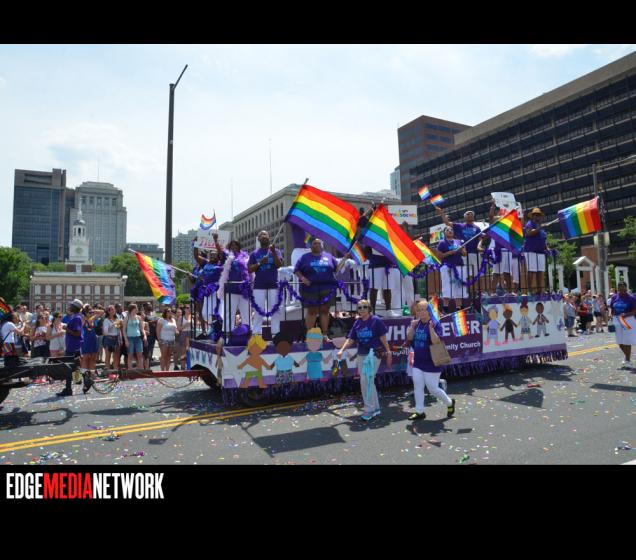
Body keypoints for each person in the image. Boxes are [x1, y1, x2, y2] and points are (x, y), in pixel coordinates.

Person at [336, 299, 392, 421]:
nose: (362, 309)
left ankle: (369, 409)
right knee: (368, 381)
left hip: (374, 354)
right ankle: (375, 408)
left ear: (369, 308)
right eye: (360, 307)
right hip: (362, 354)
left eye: (364, 307)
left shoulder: (375, 320)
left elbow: (383, 337)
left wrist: (388, 352)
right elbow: (351, 339)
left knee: (366, 381)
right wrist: (342, 350)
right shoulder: (357, 323)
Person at [406, 300, 455, 420]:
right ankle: (420, 411)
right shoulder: (416, 324)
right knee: (418, 386)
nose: (421, 312)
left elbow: (436, 342)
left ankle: (449, 403)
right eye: (418, 310)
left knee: (432, 388)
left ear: (429, 311)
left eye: (424, 309)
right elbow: (409, 338)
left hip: (432, 362)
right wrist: (412, 327)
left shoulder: (435, 324)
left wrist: (431, 329)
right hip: (418, 361)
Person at [294, 238, 339, 340]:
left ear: (322, 245)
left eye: (319, 243)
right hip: (310, 289)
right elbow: (296, 270)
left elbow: (336, 268)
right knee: (312, 311)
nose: (317, 245)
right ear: (311, 246)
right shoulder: (304, 257)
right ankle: (309, 336)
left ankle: (325, 335)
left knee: (325, 311)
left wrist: (344, 259)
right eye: (314, 243)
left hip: (327, 288)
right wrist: (302, 278)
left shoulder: (329, 256)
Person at [248, 230, 284, 338]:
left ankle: (275, 334)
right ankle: (257, 334)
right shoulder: (254, 253)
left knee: (275, 310)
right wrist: (260, 263)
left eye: (265, 234)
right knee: (258, 310)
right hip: (259, 285)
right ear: (258, 239)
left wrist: (273, 252)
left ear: (269, 237)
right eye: (261, 235)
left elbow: (279, 265)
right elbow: (249, 269)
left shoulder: (276, 251)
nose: (263, 236)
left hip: (273, 285)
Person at [435, 206, 483, 285]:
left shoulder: (477, 228)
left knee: (477, 274)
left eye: (471, 214)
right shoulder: (459, 226)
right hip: (463, 255)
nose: (470, 215)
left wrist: (479, 246)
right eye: (468, 214)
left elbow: (480, 239)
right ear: (464, 217)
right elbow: (447, 223)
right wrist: (441, 213)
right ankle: (467, 290)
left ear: (473, 217)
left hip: (475, 253)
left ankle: (479, 290)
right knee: (465, 274)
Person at [435, 226, 468, 312]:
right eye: (447, 230)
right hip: (447, 267)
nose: (450, 231)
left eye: (451, 229)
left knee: (459, 287)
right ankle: (445, 308)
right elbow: (439, 256)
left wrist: (462, 250)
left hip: (459, 266)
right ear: (444, 233)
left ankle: (459, 308)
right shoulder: (442, 243)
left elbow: (464, 254)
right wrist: (449, 253)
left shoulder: (458, 242)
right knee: (447, 286)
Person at [57, 299, 85, 397]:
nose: (69, 306)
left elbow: (77, 333)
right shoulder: (75, 317)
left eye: (71, 305)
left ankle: (69, 388)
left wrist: (66, 328)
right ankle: (81, 381)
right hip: (73, 346)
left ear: (75, 307)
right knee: (75, 367)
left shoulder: (77, 318)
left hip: (73, 347)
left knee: (69, 368)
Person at [224, 239, 251, 331]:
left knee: (246, 313)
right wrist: (216, 241)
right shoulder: (226, 256)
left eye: (236, 245)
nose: (234, 247)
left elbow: (250, 271)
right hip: (231, 289)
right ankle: (228, 334)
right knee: (229, 313)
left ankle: (247, 332)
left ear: (239, 246)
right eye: (232, 245)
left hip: (244, 290)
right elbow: (220, 253)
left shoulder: (246, 256)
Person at [608, 281, 636, 369]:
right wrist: (610, 314)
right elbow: (611, 308)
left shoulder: (631, 298)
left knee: (627, 341)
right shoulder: (614, 297)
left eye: (623, 288)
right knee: (620, 342)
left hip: (627, 320)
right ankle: (626, 357)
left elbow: (635, 311)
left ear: (626, 288)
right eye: (620, 288)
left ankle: (627, 360)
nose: (622, 290)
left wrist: (626, 314)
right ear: (618, 288)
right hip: (617, 319)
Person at [523, 208, 548, 294]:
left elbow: (543, 239)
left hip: (541, 252)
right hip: (531, 251)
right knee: (531, 271)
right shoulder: (529, 224)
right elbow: (529, 232)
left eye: (539, 215)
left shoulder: (541, 228)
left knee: (540, 271)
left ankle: (539, 290)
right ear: (532, 216)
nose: (537, 216)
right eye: (535, 215)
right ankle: (529, 291)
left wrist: (547, 248)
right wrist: (538, 228)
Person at [123, 304, 147, 370]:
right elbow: (124, 330)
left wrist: (144, 335)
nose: (137, 309)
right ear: (132, 309)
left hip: (138, 337)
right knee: (130, 355)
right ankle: (130, 370)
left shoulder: (138, 317)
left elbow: (142, 328)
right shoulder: (127, 317)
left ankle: (141, 369)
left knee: (140, 354)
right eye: (136, 308)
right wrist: (126, 340)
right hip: (130, 338)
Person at [102, 305, 121, 369]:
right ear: (108, 311)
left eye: (114, 309)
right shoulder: (106, 320)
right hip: (109, 339)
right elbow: (105, 332)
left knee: (116, 356)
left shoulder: (117, 319)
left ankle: (115, 369)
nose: (113, 311)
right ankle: (107, 369)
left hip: (116, 338)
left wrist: (120, 325)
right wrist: (113, 324)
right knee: (108, 356)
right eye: (112, 309)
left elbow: (118, 330)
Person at [174, 305, 191, 370]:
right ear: (184, 310)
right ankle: (183, 367)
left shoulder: (192, 317)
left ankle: (189, 366)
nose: (189, 309)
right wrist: (185, 325)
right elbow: (178, 328)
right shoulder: (181, 318)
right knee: (183, 352)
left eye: (189, 308)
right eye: (187, 308)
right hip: (184, 334)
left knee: (190, 351)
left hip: (191, 334)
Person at [142, 302, 158, 369]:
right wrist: (153, 321)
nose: (150, 306)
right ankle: (144, 368)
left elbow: (157, 320)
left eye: (150, 305)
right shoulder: (143, 314)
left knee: (150, 352)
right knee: (145, 353)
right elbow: (142, 323)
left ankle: (148, 367)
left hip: (153, 336)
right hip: (146, 336)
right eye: (149, 305)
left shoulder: (153, 314)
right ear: (145, 307)